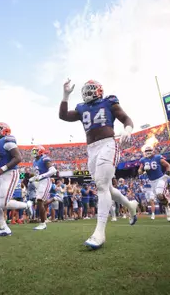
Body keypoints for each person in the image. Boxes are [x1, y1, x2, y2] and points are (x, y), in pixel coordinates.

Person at [59, 79, 138, 249]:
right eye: (86, 90)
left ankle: (99, 233)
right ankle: (130, 205)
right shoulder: (81, 107)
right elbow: (63, 116)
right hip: (91, 150)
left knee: (102, 186)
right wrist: (65, 95)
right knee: (106, 188)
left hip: (108, 144)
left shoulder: (109, 101)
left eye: (91, 90)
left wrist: (128, 129)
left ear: (99, 91)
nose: (87, 93)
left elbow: (125, 118)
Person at [0, 122, 33, 237]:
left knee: (2, 203)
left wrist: (3, 168)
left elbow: (18, 157)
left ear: (5, 130)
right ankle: (4, 228)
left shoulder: (8, 139)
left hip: (9, 173)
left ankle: (27, 205)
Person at [138, 145, 170, 222]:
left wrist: (167, 174)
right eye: (147, 151)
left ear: (153, 151)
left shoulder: (158, 157)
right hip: (152, 182)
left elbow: (168, 165)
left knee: (159, 194)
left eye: (149, 151)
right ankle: (169, 211)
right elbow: (139, 171)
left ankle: (169, 212)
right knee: (159, 197)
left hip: (160, 179)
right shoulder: (143, 160)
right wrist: (143, 169)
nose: (148, 152)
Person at [29, 145, 58, 230]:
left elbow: (53, 170)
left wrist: (42, 176)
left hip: (45, 181)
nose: (33, 153)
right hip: (39, 182)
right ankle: (42, 222)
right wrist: (34, 178)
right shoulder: (35, 161)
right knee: (39, 202)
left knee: (40, 201)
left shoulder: (44, 158)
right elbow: (37, 174)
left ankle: (43, 223)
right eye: (33, 151)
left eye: (35, 151)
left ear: (40, 151)